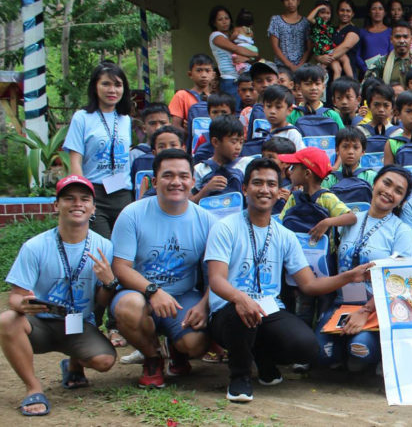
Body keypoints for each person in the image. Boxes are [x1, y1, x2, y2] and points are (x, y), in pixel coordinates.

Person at [206, 158, 372, 403]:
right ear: (245, 188)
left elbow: (309, 285)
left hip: (268, 308)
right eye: (257, 183)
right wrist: (240, 298)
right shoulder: (225, 228)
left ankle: (262, 356)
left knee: (306, 347)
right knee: (242, 314)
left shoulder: (285, 235)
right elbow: (216, 280)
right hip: (228, 310)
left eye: (271, 184)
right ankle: (240, 376)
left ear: (279, 191)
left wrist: (348, 276)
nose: (265, 189)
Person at [0, 175, 117, 416]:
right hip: (40, 324)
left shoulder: (104, 246)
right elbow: (14, 297)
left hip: (79, 324)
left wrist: (109, 283)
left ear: (93, 208)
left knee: (105, 361)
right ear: (56, 205)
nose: (78, 204)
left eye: (84, 199)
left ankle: (73, 364)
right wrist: (24, 305)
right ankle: (33, 388)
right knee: (7, 320)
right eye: (69, 198)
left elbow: (101, 302)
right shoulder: (35, 246)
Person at [110, 150, 215, 389]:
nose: (176, 182)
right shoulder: (132, 214)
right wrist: (153, 291)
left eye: (183, 176)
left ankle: (176, 349)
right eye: (168, 175)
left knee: (196, 344)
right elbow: (120, 267)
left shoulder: (207, 221)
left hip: (182, 296)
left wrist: (204, 304)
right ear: (155, 181)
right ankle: (152, 357)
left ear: (193, 181)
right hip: (139, 293)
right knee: (129, 308)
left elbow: (217, 273)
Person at [316, 166, 412, 370]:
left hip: (376, 307)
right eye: (386, 183)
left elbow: (398, 283)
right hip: (342, 304)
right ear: (374, 183)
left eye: (398, 191)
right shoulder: (350, 220)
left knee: (360, 349)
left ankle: (363, 350)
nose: (389, 192)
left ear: (402, 200)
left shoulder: (402, 231)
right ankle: (340, 351)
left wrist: (365, 311)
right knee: (321, 355)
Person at [65, 61, 134, 238]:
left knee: (123, 247)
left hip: (123, 192)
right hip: (95, 193)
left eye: (118, 85)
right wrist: (82, 195)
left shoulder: (125, 119)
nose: (112, 90)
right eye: (106, 84)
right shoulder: (82, 117)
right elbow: (75, 160)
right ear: (95, 87)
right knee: (102, 245)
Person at [364, 21, 412, 95]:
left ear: (411, 39)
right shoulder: (381, 62)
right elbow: (367, 86)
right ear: (391, 39)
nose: (402, 41)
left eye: (405, 37)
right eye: (397, 37)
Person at [209, 6, 258, 105]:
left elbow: (250, 58)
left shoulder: (233, 37)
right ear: (214, 23)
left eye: (226, 18)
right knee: (234, 108)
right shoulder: (216, 35)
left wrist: (246, 58)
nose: (224, 22)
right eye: (220, 19)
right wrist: (255, 53)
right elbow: (235, 49)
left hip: (242, 78)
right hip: (229, 79)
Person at [316, 0, 363, 79]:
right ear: (337, 12)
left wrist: (325, 62)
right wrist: (319, 58)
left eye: (348, 11)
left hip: (348, 75)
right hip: (330, 74)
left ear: (353, 14)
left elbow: (345, 46)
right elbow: (320, 48)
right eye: (342, 10)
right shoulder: (330, 30)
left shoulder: (354, 30)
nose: (345, 13)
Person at [306, 0, 351, 80]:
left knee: (338, 69)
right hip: (326, 49)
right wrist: (319, 7)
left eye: (328, 13)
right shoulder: (318, 23)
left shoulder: (329, 27)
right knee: (345, 59)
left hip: (327, 50)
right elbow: (309, 18)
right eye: (322, 12)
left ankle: (335, 86)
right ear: (318, 13)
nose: (325, 15)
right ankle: (352, 80)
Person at [267, 0, 310, 71]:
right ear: (283, 2)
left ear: (298, 1)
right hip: (282, 66)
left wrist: (300, 66)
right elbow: (275, 46)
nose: (290, 2)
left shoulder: (305, 22)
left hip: (302, 67)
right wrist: (290, 66)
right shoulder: (276, 20)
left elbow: (309, 48)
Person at [168, 54, 215, 130]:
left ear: (213, 75)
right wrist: (189, 131)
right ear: (190, 74)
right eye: (199, 70)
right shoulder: (181, 95)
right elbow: (175, 126)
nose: (204, 75)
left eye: (207, 71)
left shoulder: (217, 98)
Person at [357, 0, 392, 71]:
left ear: (385, 12)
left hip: (386, 71)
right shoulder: (362, 32)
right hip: (366, 72)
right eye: (374, 9)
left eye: (380, 9)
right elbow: (357, 55)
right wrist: (366, 69)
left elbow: (392, 53)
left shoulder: (391, 32)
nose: (377, 12)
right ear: (369, 12)